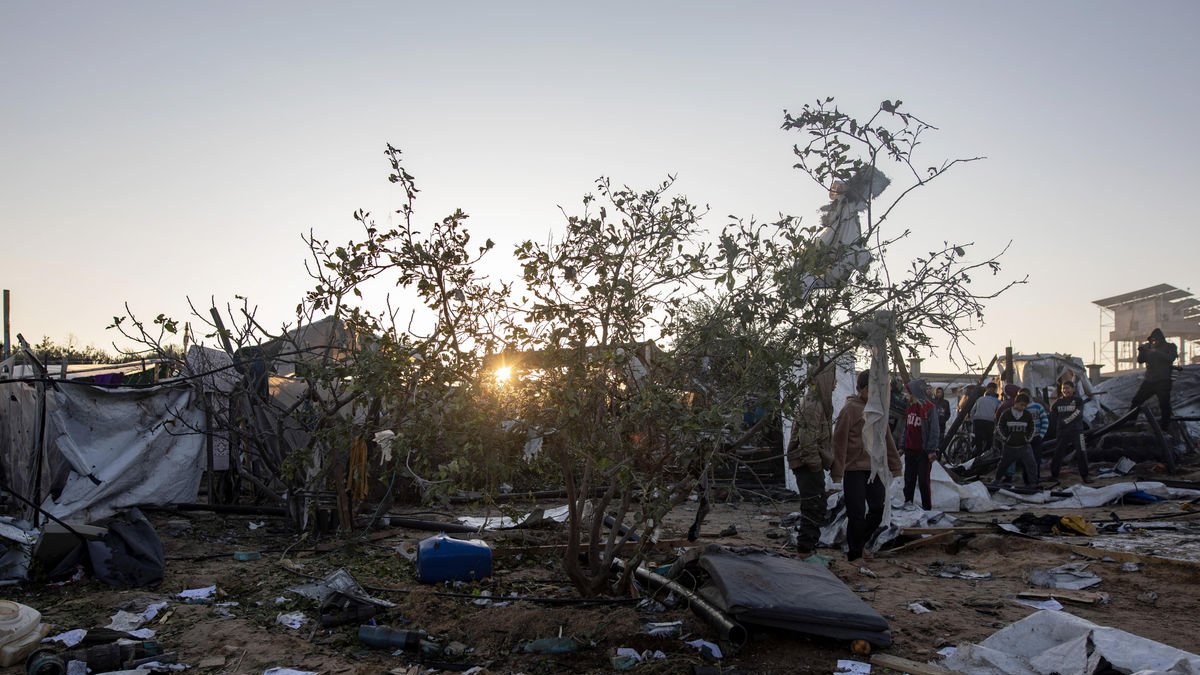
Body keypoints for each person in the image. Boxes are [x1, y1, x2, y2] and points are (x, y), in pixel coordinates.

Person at [831, 370, 902, 562]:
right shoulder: (850, 410)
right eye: (870, 389)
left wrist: (895, 465)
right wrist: (837, 471)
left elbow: (886, 438)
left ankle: (860, 544)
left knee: (878, 509)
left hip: (874, 469)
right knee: (856, 513)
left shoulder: (878, 409)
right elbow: (839, 441)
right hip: (854, 469)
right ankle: (855, 556)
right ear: (861, 389)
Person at [786, 385, 833, 556]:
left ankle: (809, 548)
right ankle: (805, 551)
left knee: (816, 505)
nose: (834, 385)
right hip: (807, 464)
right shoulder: (813, 404)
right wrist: (816, 465)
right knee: (813, 505)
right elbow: (807, 440)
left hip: (808, 462)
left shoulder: (816, 402)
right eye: (832, 380)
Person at [901, 379, 940, 511]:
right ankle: (908, 504)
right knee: (909, 480)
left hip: (923, 452)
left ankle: (927, 508)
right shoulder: (910, 407)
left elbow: (934, 430)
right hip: (910, 450)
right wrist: (902, 445)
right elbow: (906, 428)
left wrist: (931, 449)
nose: (907, 395)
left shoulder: (929, 408)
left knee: (923, 481)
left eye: (909, 393)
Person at [1130, 328, 1179, 429]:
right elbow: (1140, 360)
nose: (1154, 342)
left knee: (1164, 404)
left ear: (1161, 339)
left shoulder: (1170, 346)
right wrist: (1142, 351)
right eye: (1152, 340)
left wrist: (1156, 352)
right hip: (1150, 381)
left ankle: (1164, 427)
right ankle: (1130, 423)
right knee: (1136, 401)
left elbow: (1170, 358)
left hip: (1163, 381)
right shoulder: (1149, 347)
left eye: (1155, 340)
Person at [994, 393, 1039, 487]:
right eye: (1022, 405)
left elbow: (1032, 428)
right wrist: (1006, 438)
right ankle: (997, 480)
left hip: (1024, 446)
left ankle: (1033, 483)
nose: (1023, 407)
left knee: (1031, 464)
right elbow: (1000, 426)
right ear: (1016, 402)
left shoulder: (1027, 414)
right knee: (1003, 465)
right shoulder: (1006, 413)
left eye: (1025, 406)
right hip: (1009, 446)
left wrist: (1028, 439)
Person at [1050, 380, 1090, 483]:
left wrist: (1066, 421)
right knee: (1058, 452)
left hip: (1077, 431)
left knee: (1082, 451)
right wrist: (1057, 425)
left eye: (1067, 388)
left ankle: (1085, 476)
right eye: (1063, 388)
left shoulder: (1078, 401)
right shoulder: (1058, 402)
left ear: (1073, 389)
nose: (1065, 390)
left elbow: (1078, 413)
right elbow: (1053, 414)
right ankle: (1054, 475)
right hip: (1062, 432)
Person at [970, 382, 1001, 456]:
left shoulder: (980, 399)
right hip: (990, 422)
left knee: (978, 441)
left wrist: (972, 420)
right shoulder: (997, 401)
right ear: (995, 390)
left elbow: (972, 411)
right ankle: (985, 456)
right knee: (989, 441)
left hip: (978, 421)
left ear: (987, 389)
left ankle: (976, 456)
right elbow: (999, 413)